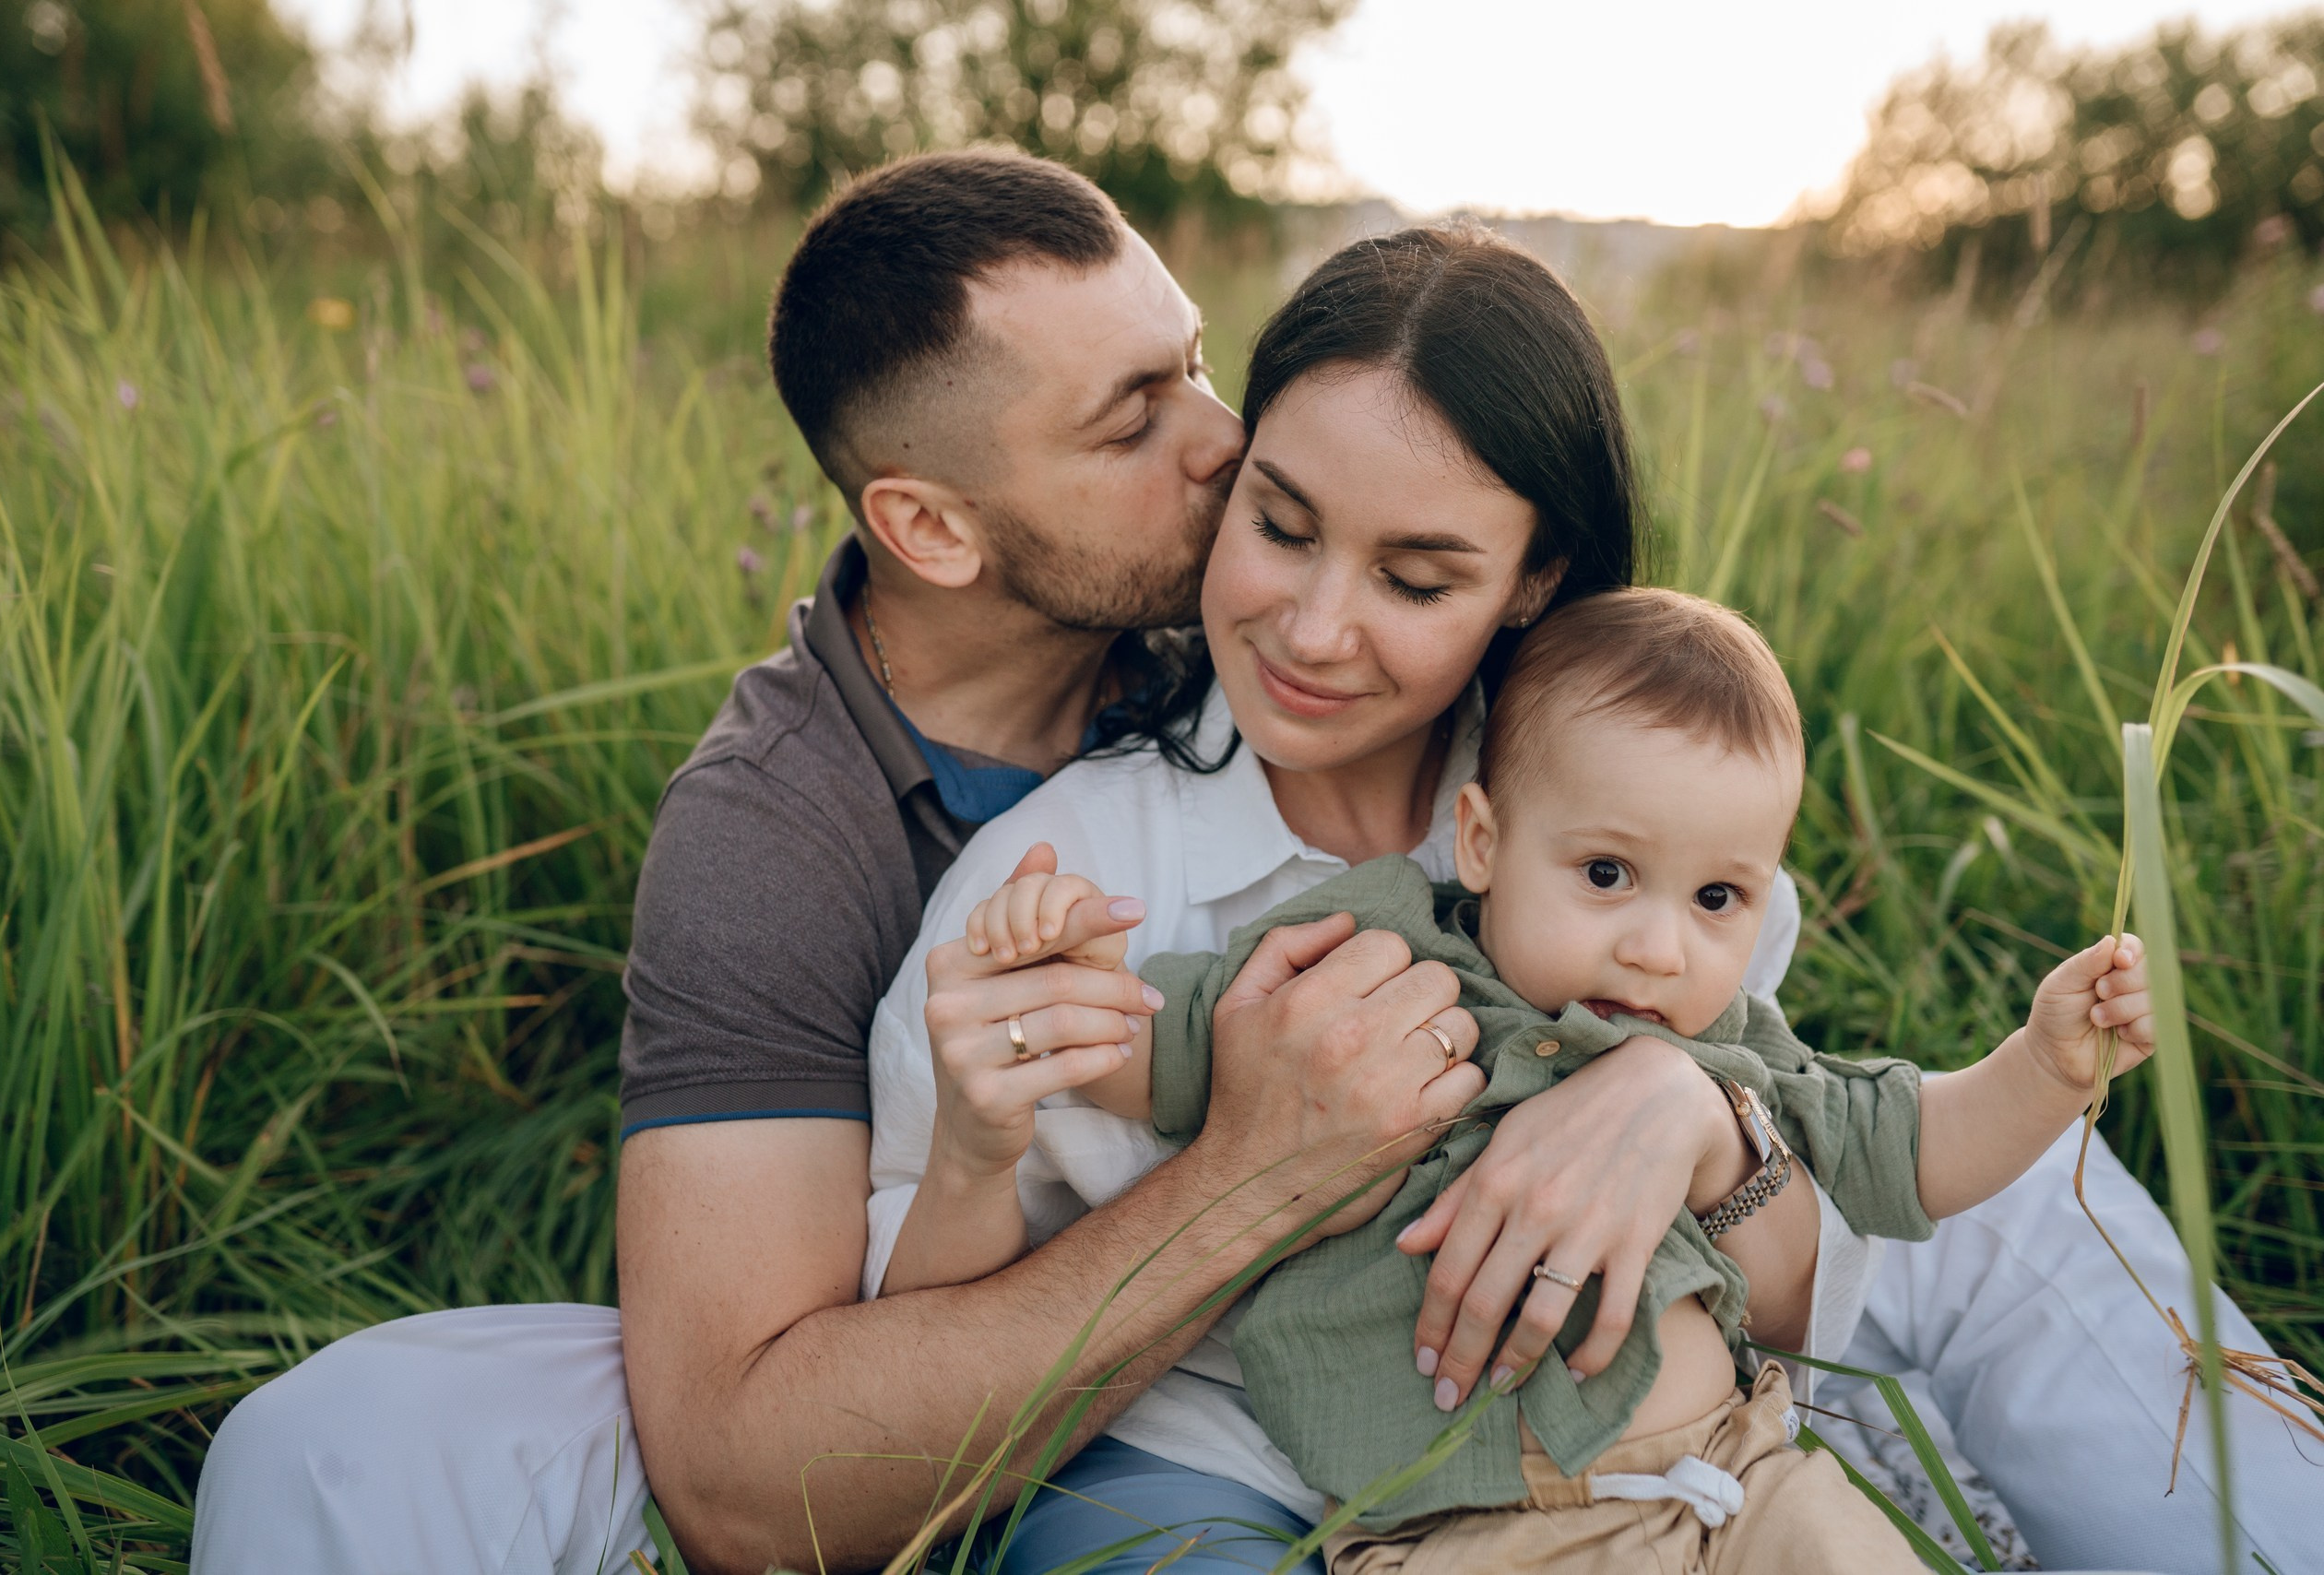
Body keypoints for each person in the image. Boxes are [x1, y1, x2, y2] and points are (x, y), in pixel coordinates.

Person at [185, 153, 2308, 1575]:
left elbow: (1779, 1161)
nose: (1218, 468)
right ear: (934, 524)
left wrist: (1685, 1099)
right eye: (1151, 426)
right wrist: (1261, 1161)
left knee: (2039, 1216)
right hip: (1067, 1379)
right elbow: (758, 1442)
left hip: (1596, 1369)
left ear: (1522, 582)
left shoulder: (1511, 725)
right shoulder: (812, 829)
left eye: (1202, 372)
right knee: (345, 1445)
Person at [883, 586, 2161, 1571]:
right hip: (1470, 1527)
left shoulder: (1729, 1045)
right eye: (1605, 875)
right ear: (1484, 841)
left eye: (1717, 898)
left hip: (1743, 1477)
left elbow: (1915, 1146)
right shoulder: (1372, 963)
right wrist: (1065, 971)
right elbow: (1156, 1049)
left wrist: (2041, 1067)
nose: (1657, 946)